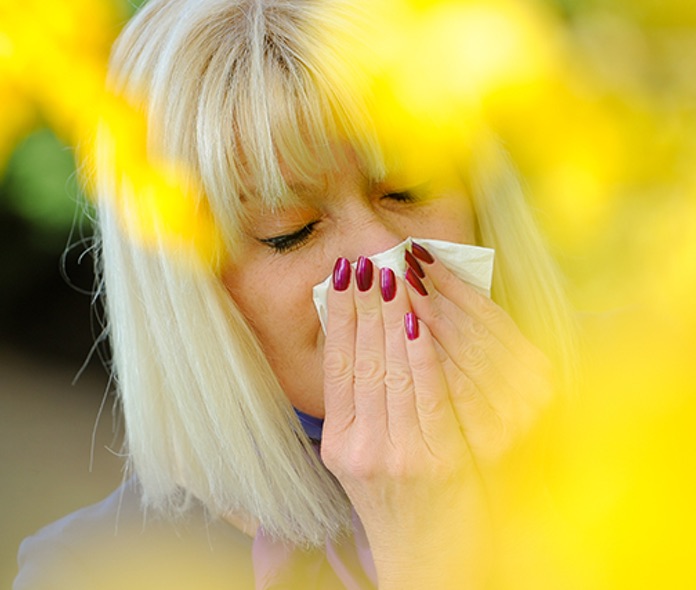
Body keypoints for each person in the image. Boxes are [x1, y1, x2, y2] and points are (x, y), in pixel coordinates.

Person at [14, 0, 574, 587]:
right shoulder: (91, 571)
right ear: (192, 296)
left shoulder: (657, 405)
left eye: (409, 189)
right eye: (291, 231)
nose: (383, 253)